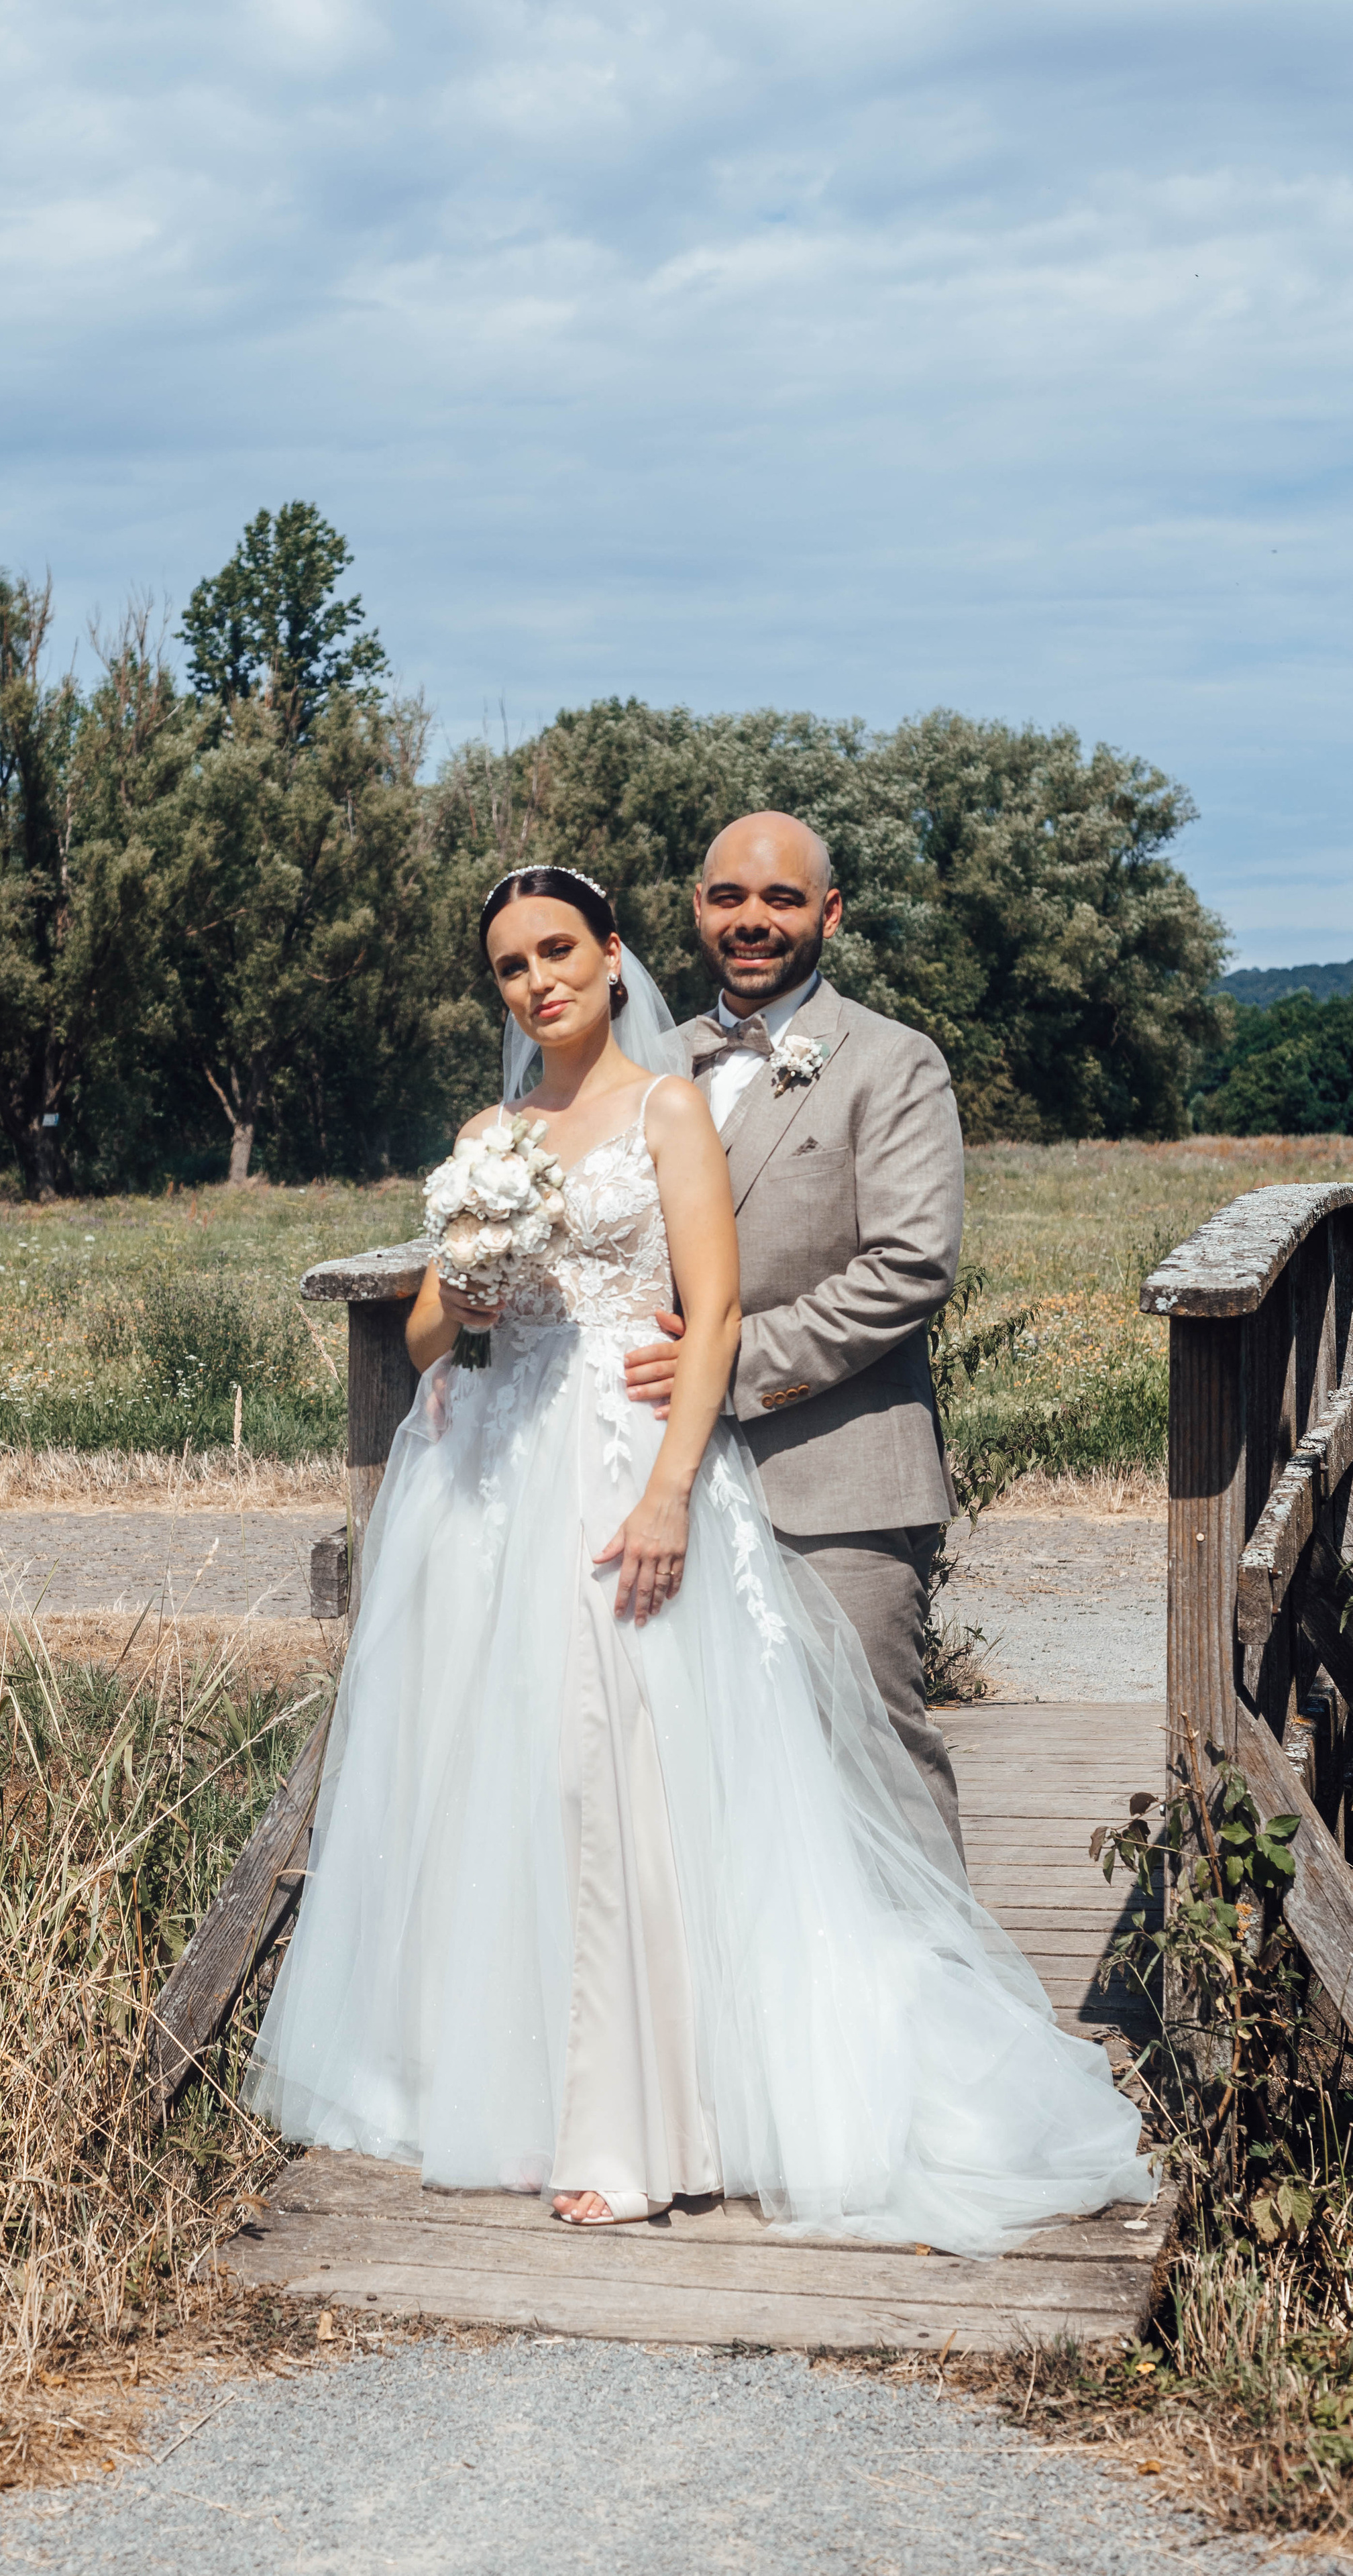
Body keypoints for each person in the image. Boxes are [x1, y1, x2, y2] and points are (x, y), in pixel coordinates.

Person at [242, 865, 1151, 2246]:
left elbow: (712, 1312)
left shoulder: (667, 1110)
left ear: (612, 958)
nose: (536, 981)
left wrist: (670, 1494)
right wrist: (469, 1287)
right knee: (519, 1775)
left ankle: (644, 2122)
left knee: (636, 1779)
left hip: (625, 1458)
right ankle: (509, 2085)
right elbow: (428, 1327)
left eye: (557, 951)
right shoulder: (487, 1132)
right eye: (507, 966)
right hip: (508, 1470)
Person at [625, 812, 965, 1854]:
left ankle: (941, 2014)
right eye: (729, 898)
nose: (752, 921)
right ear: (697, 911)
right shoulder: (647, 1068)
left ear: (830, 911)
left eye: (780, 899)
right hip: (653, 1488)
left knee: (872, 1765)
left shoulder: (894, 1063)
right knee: (690, 1765)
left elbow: (909, 1267)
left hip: (838, 1485)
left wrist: (721, 1372)